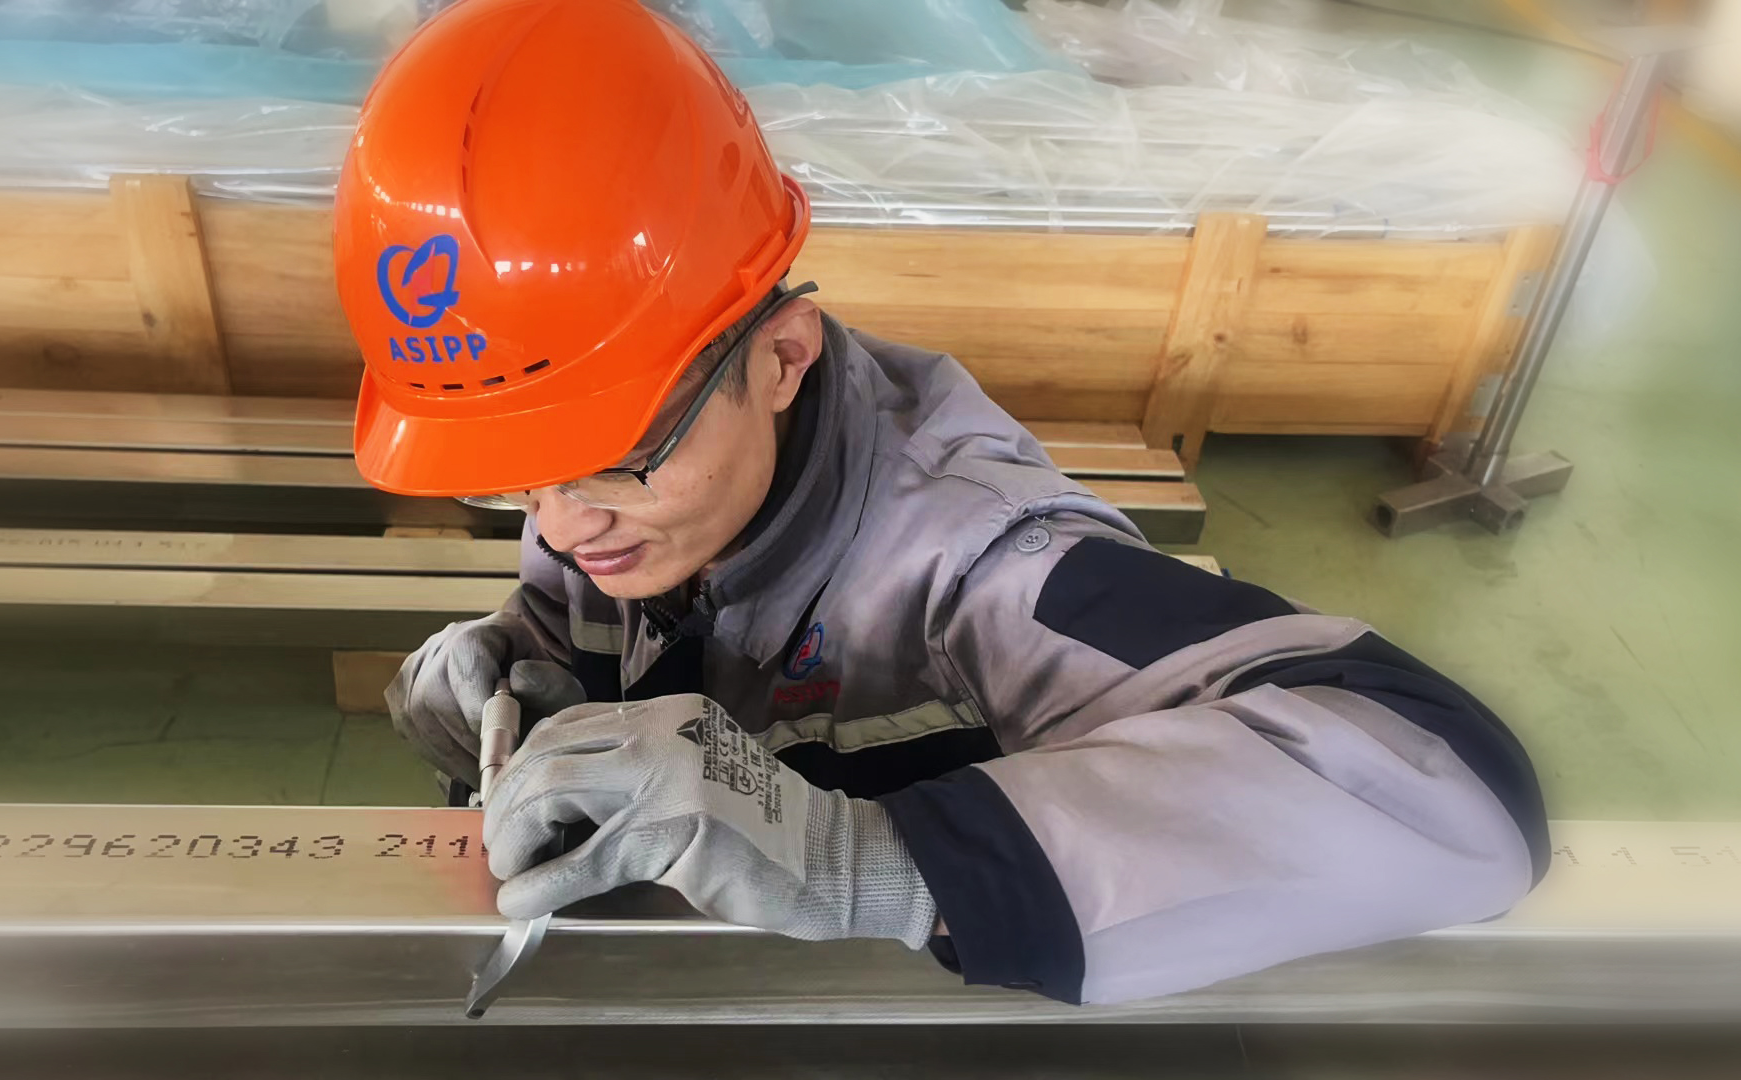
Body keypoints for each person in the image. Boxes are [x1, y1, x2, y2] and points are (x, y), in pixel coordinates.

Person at [334, 0, 1546, 1006]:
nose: (558, 526)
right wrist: (530, 677)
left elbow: (1460, 793)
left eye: (610, 456)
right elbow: (611, 611)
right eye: (516, 472)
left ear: (782, 356)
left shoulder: (984, 564)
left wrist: (864, 860)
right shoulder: (627, 491)